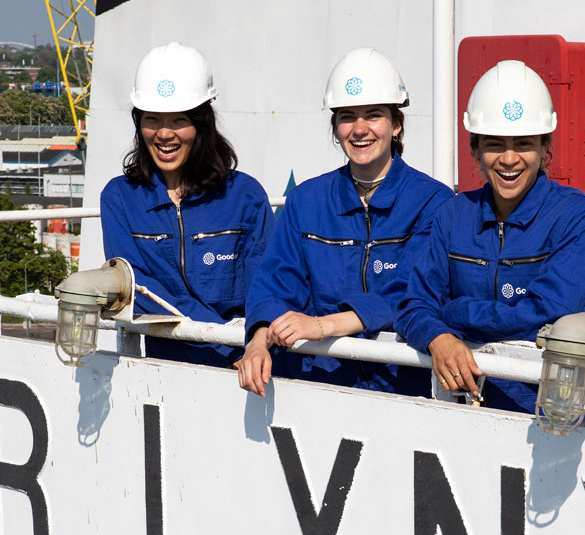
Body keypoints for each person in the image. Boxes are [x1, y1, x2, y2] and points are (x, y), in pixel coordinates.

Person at [394, 60, 585, 413]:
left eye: (524, 144)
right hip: (455, 410)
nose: (509, 159)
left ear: (546, 150)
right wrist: (438, 338)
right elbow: (412, 305)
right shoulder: (453, 215)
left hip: (545, 413)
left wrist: (454, 314)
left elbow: (553, 314)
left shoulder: (580, 219)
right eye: (495, 144)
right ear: (475, 150)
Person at [237, 47, 454, 397]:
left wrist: (321, 326)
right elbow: (275, 282)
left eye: (373, 115)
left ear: (396, 125)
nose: (360, 129)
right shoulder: (306, 201)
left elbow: (411, 292)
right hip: (321, 385)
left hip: (403, 386)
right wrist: (258, 342)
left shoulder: (434, 202)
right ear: (335, 127)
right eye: (347, 116)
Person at [100, 42, 275, 367]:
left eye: (179, 120)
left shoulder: (246, 196)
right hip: (166, 371)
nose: (164, 134)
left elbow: (266, 284)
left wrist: (257, 343)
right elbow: (136, 287)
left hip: (247, 366)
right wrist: (220, 335)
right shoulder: (119, 199)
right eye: (152, 119)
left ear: (202, 123)